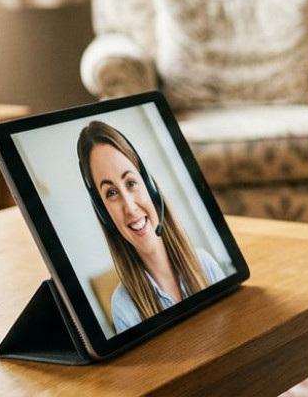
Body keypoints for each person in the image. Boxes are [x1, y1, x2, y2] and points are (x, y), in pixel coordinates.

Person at [76, 121, 227, 334]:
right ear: (104, 214)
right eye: (111, 193)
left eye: (130, 183)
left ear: (150, 187)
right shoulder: (124, 308)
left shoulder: (204, 264)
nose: (129, 207)